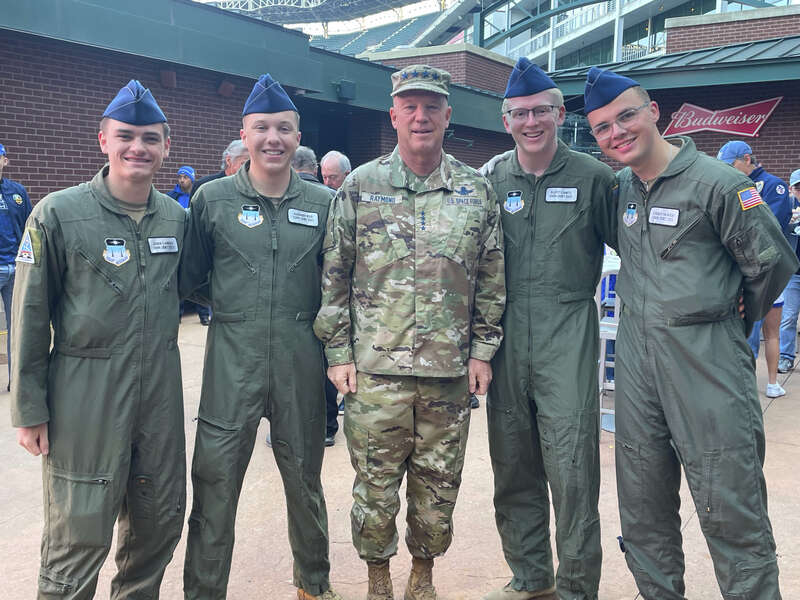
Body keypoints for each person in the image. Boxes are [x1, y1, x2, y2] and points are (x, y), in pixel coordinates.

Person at [584, 67, 796, 600]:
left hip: (707, 363)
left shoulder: (719, 184)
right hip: (638, 366)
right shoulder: (620, 190)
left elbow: (771, 263)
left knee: (731, 507)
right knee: (643, 505)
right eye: (603, 127)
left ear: (654, 112)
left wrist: (729, 315)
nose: (617, 133)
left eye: (626, 116)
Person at [314, 64, 506, 600]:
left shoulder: (476, 190)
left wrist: (483, 350)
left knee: (438, 488)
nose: (421, 116)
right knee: (374, 489)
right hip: (376, 372)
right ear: (393, 116)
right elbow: (335, 274)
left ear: (448, 115)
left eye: (431, 107)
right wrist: (337, 351)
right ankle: (378, 580)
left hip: (449, 373)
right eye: (410, 107)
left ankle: (423, 577)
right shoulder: (360, 186)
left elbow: (491, 277)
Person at [11, 80, 187, 599]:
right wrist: (29, 408)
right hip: (84, 390)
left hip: (159, 393)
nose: (138, 147)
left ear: (166, 147)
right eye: (126, 136)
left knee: (158, 519)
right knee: (78, 528)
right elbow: (28, 314)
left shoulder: (177, 218)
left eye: (150, 138)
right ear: (103, 140)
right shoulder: (58, 214)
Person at [181, 73, 341, 600]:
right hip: (232, 360)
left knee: (305, 481)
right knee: (215, 483)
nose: (273, 138)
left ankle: (313, 585)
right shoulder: (212, 200)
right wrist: (237, 306)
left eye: (284, 129)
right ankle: (204, 592)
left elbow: (337, 280)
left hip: (301, 358)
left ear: (298, 137)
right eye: (262, 128)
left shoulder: (324, 203)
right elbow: (192, 277)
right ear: (244, 134)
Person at [479, 58, 617, 600]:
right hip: (506, 336)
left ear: (560, 114)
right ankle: (531, 577)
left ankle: (577, 587)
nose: (531, 122)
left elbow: (637, 248)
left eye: (541, 111)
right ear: (505, 120)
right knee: (513, 465)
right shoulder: (491, 180)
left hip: (568, 332)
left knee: (573, 469)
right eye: (520, 114)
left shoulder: (594, 178)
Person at [717, 140, 792, 397]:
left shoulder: (773, 185)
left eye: (732, 165)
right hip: (739, 270)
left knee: (769, 331)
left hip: (767, 272)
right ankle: (741, 384)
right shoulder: (732, 185)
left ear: (747, 159)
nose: (728, 170)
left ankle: (771, 382)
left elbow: (767, 228)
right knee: (743, 332)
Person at [290, 145, 340, 445]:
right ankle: (328, 426)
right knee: (326, 364)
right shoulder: (334, 198)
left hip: (295, 300)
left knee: (294, 369)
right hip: (329, 301)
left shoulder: (285, 200)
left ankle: (293, 426)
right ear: (315, 167)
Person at [0, 143, 33, 390]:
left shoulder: (17, 192)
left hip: (15, 268)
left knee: (17, 328)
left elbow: (30, 228)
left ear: (5, 161)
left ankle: (16, 381)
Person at [778, 167, 800, 373]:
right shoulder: (787, 207)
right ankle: (786, 357)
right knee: (789, 317)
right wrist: (789, 223)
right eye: (798, 187)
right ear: (791, 189)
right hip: (794, 273)